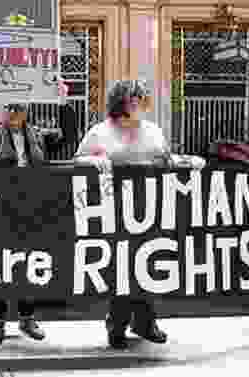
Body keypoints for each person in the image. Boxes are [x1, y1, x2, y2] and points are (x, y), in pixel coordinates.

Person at [0, 82, 76, 345]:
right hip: (1, 213)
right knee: (1, 266)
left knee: (29, 264)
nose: (14, 110)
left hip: (33, 212)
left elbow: (69, 137)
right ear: (3, 109)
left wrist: (63, 102)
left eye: (19, 106)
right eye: (9, 106)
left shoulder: (40, 137)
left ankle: (26, 318)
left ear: (27, 109)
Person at [74, 79, 169, 349]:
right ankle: (117, 326)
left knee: (148, 267)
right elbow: (78, 159)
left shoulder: (153, 131)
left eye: (140, 98)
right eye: (132, 99)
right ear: (120, 103)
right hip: (115, 211)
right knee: (123, 270)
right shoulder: (100, 132)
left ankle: (146, 322)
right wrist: (94, 161)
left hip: (149, 208)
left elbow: (166, 160)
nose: (138, 103)